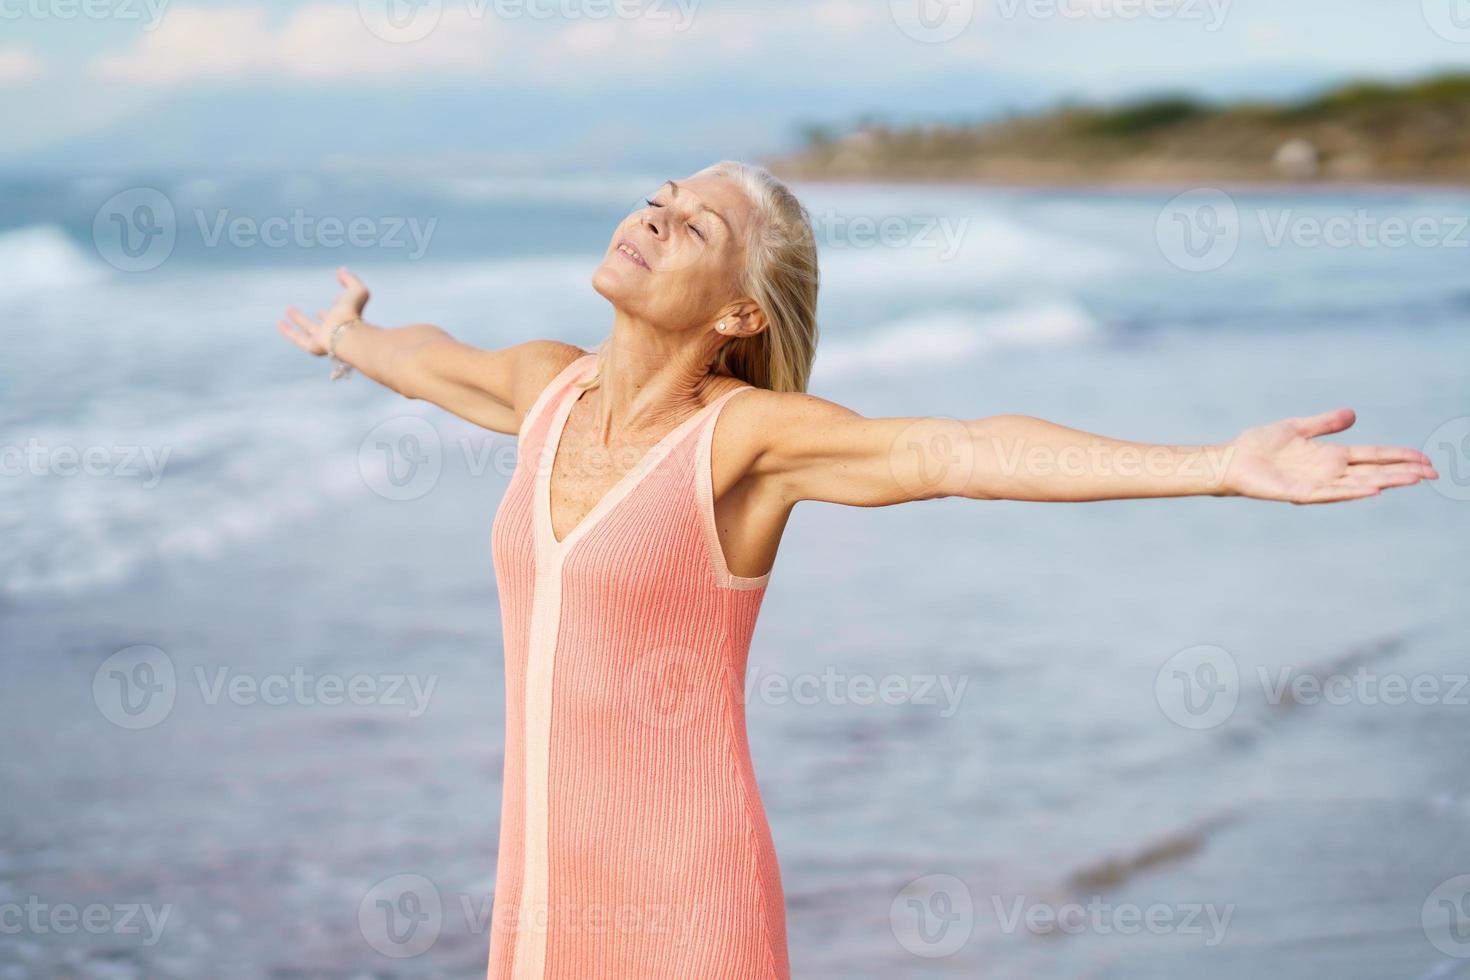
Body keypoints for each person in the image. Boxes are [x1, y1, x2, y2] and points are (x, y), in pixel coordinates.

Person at [274, 160, 1438, 979]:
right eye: (658, 202)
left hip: (686, 909)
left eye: (694, 226)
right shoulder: (548, 390)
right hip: (536, 901)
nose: (653, 219)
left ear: (736, 309)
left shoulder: (743, 443)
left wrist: (1218, 462)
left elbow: (953, 448)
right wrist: (350, 339)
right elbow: (432, 362)